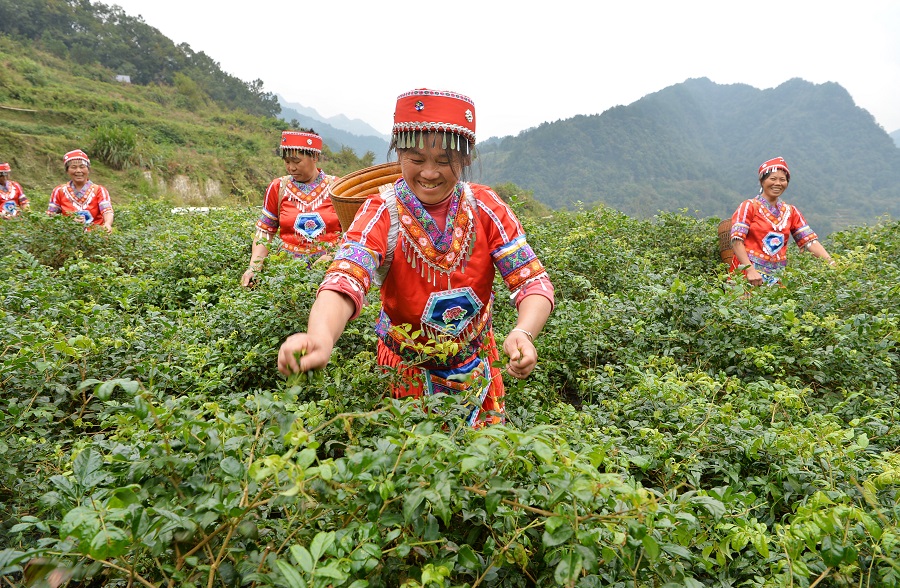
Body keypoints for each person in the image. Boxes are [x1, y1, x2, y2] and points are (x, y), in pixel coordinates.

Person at [277, 88, 555, 426]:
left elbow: (532, 280)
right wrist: (320, 336)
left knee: (483, 455)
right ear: (399, 154)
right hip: (405, 372)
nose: (430, 173)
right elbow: (346, 277)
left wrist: (524, 332)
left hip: (478, 367)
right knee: (410, 455)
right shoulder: (381, 211)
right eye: (417, 159)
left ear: (465, 158)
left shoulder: (486, 207)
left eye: (444, 160)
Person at [240, 130, 341, 287]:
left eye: (296, 161)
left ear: (315, 157)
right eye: (287, 162)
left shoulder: (338, 188)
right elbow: (265, 231)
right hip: (287, 274)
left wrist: (332, 256)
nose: (291, 168)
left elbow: (353, 234)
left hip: (330, 273)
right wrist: (254, 267)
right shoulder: (278, 187)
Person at [729, 156, 834, 286]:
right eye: (773, 179)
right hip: (748, 275)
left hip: (777, 277)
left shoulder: (791, 211)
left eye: (782, 180)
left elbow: (810, 241)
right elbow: (737, 240)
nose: (778, 183)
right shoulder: (748, 206)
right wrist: (749, 270)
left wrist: (831, 264)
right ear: (762, 181)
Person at [47, 150, 114, 233]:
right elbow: (51, 216)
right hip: (67, 236)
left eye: (82, 167)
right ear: (67, 171)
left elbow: (107, 211)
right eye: (73, 167)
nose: (78, 171)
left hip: (95, 237)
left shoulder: (100, 190)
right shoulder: (59, 191)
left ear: (88, 170)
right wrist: (68, 222)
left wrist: (107, 223)